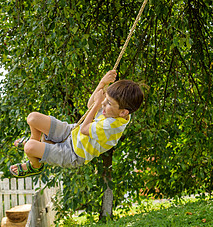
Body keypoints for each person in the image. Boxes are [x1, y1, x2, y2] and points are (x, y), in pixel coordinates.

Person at [9, 69, 144, 177]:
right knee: (33, 118)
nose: (103, 103)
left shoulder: (111, 127)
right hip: (71, 132)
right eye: (105, 99)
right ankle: (38, 147)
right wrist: (102, 84)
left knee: (29, 147)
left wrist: (97, 104)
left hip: (73, 153)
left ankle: (35, 165)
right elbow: (90, 104)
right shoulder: (113, 110)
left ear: (123, 113)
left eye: (108, 102)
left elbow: (86, 128)